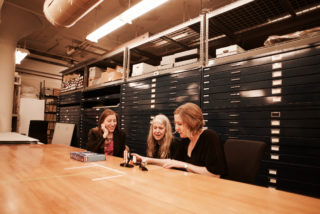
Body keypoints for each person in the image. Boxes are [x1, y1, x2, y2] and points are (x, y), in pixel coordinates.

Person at [133, 103, 227, 177]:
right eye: (175, 124)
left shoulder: (210, 137)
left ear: (192, 123)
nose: (176, 128)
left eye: (180, 124)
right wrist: (146, 159)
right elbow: (172, 162)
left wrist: (184, 165)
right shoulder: (186, 140)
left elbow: (215, 175)